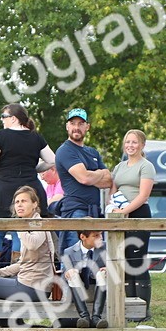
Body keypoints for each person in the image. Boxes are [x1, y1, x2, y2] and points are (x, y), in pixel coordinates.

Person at [0, 102, 55, 271]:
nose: (2, 121)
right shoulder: (36, 137)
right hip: (30, 190)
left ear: (13, 118)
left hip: (4, 188)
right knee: (20, 231)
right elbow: (52, 161)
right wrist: (33, 169)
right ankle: (17, 274)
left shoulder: (2, 135)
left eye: (3, 117)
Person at [0, 185, 59, 303]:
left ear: (35, 204)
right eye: (17, 202)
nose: (19, 205)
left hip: (32, 287)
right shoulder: (31, 224)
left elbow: (32, 245)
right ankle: (10, 319)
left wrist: (19, 226)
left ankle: (8, 320)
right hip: (33, 286)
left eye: (24, 201)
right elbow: (22, 263)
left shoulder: (37, 223)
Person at [111, 129, 155, 319]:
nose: (130, 145)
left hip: (138, 214)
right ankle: (130, 306)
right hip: (120, 215)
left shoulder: (146, 166)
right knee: (125, 260)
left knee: (137, 259)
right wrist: (113, 209)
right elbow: (112, 191)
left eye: (134, 142)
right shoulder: (119, 167)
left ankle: (144, 308)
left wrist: (126, 210)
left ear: (142, 145)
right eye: (128, 142)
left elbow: (143, 194)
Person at [54, 108, 112, 254]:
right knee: (74, 258)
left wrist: (92, 175)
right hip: (75, 211)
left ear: (87, 127)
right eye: (72, 123)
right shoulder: (65, 150)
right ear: (67, 126)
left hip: (94, 212)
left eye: (81, 123)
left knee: (95, 258)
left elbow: (109, 181)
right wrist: (99, 173)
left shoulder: (93, 153)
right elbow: (84, 178)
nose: (76, 127)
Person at [61, 230, 109, 328]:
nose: (101, 237)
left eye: (100, 234)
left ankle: (96, 317)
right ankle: (84, 317)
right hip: (77, 293)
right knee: (72, 274)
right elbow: (63, 276)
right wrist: (68, 272)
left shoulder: (107, 248)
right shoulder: (69, 251)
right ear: (83, 237)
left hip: (99, 292)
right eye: (96, 235)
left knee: (102, 273)